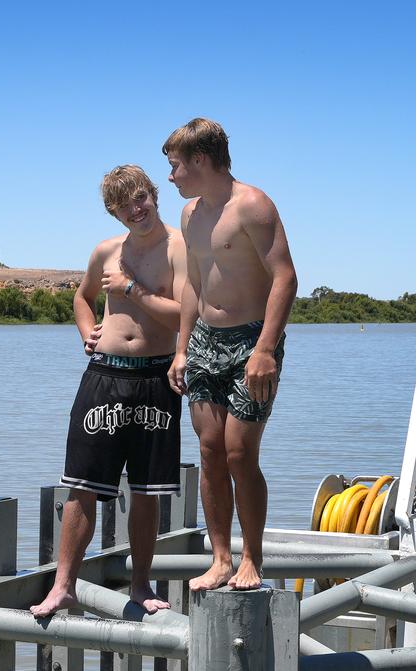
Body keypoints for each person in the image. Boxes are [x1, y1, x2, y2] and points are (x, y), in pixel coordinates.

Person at [31, 165, 186, 617]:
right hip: (104, 376)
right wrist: (87, 330)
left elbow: (184, 317)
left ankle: (140, 585)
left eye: (141, 197)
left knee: (146, 491)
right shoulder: (105, 251)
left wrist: (131, 290)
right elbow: (82, 298)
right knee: (81, 487)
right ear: (114, 213)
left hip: (157, 378)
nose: (136, 209)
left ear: (154, 194)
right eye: (124, 205)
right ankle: (63, 586)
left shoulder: (179, 248)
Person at [162, 118, 297, 591]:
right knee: (209, 450)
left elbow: (285, 278)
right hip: (204, 340)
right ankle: (220, 558)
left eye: (175, 165)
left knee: (240, 454)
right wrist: (181, 349)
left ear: (200, 160)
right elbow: (193, 287)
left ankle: (251, 559)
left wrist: (265, 349)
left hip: (252, 340)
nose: (171, 176)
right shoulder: (190, 215)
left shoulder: (253, 205)